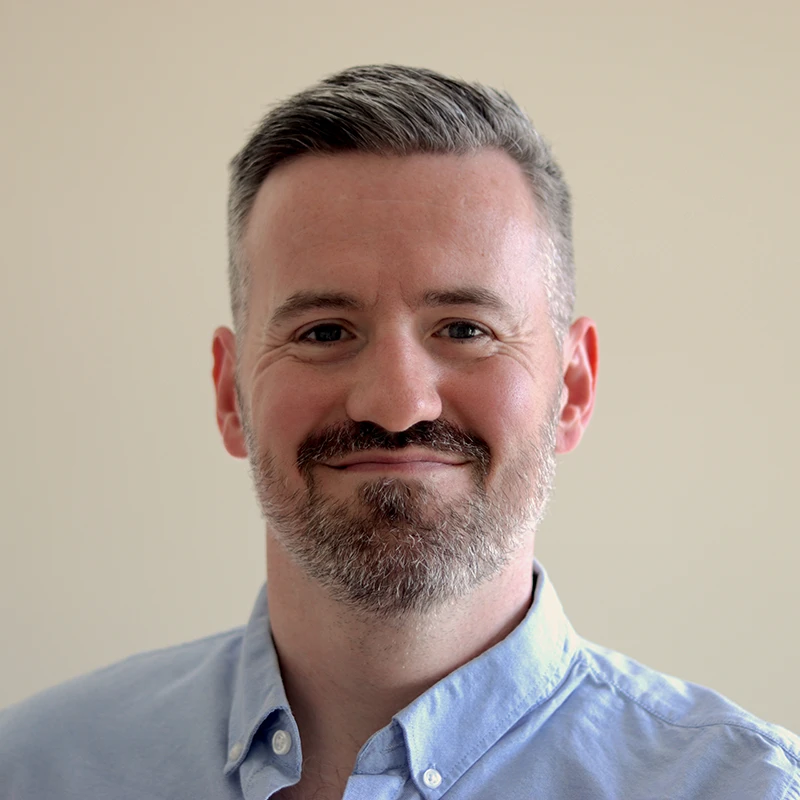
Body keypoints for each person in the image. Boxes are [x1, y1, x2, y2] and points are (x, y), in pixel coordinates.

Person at [1, 64, 798, 800]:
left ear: (575, 388)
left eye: (463, 328)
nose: (395, 403)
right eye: (323, 332)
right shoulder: (37, 769)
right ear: (230, 391)